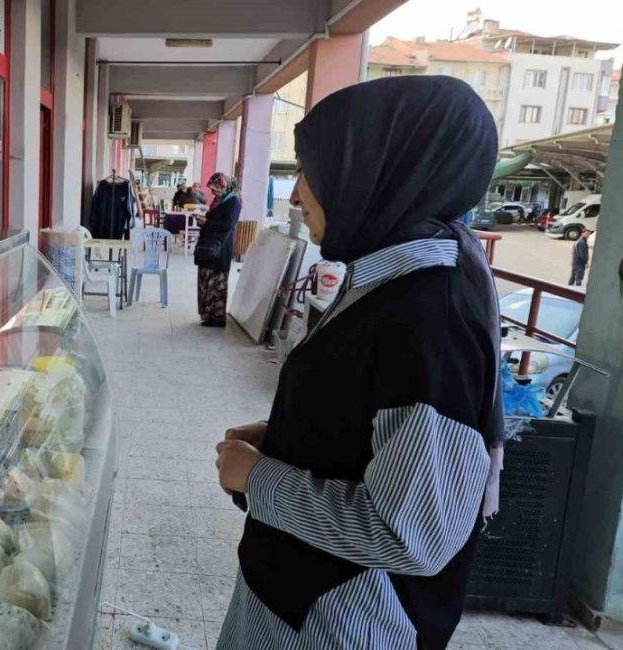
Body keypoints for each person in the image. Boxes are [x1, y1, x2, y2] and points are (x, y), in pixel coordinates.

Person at [214, 76, 504, 649]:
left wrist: (260, 479)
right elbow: (373, 423)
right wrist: (288, 435)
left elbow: (412, 533)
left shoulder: (430, 315)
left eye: (310, 171)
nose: (296, 195)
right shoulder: (391, 278)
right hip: (293, 598)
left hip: (338, 624)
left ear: (378, 169)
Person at [194, 172, 242, 327]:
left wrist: (207, 222)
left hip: (220, 247)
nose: (213, 192)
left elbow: (228, 225)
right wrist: (203, 221)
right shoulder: (219, 200)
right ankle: (208, 315)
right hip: (208, 246)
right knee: (206, 280)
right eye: (212, 189)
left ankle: (217, 318)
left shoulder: (233, 201)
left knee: (217, 282)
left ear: (224, 185)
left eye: (215, 188)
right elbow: (212, 219)